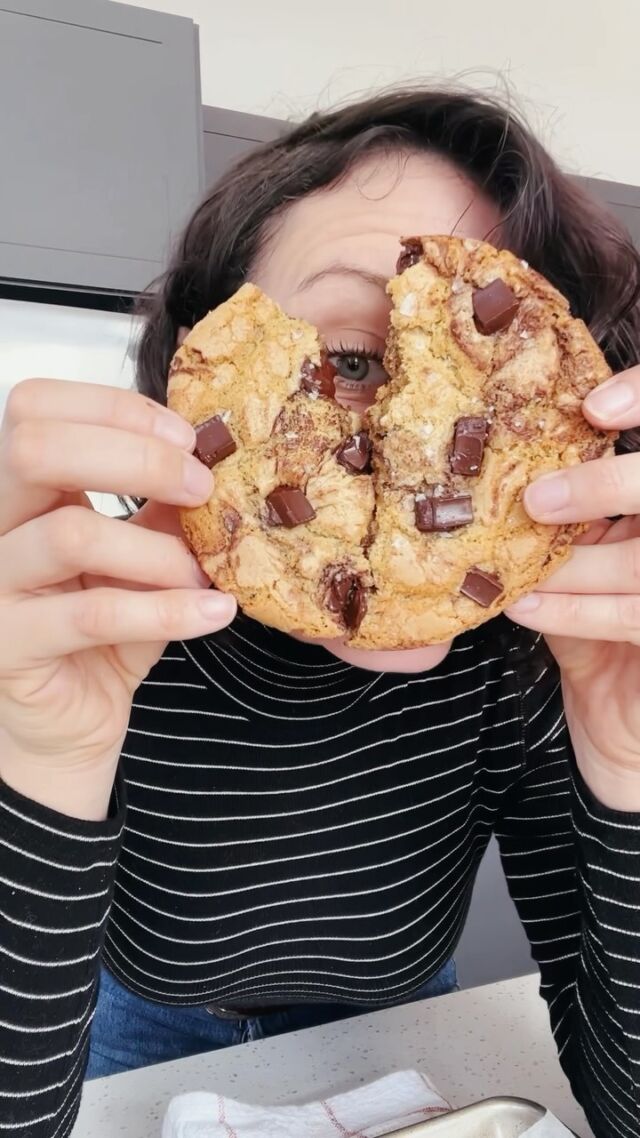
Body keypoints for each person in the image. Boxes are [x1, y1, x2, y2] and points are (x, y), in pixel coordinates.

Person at [0, 85, 639, 1138]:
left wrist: (624, 763)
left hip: (391, 1023)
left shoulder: (534, 665)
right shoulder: (90, 615)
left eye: (498, 404)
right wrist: (39, 761)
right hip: (127, 1019)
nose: (431, 466)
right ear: (199, 371)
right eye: (350, 360)